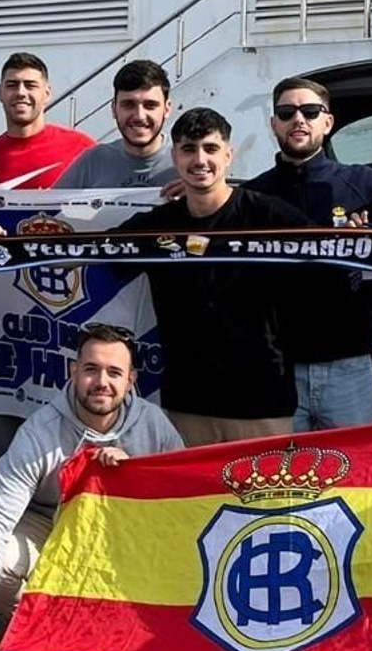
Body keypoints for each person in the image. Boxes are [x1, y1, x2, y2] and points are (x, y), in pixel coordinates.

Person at [0, 324, 183, 651]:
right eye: (91, 369)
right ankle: (44, 628)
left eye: (114, 372)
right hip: (49, 524)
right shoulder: (39, 431)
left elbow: (181, 507)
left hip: (123, 534)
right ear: (73, 371)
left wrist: (135, 476)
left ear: (131, 380)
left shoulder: (153, 425)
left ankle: (117, 629)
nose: (102, 382)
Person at [106, 107, 307, 445]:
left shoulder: (269, 214)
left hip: (261, 398)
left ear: (229, 155)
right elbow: (85, 251)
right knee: (192, 498)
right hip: (188, 400)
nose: (200, 159)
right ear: (175, 157)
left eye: (210, 149)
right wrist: (3, 243)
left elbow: (335, 249)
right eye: (189, 149)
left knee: (263, 499)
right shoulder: (157, 224)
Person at [244, 77, 372, 430]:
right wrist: (182, 189)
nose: (299, 119)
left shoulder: (366, 184)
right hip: (275, 369)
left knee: (359, 480)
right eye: (287, 112)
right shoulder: (250, 196)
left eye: (310, 111)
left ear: (327, 123)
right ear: (273, 124)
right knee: (281, 483)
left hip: (350, 368)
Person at [0, 53, 95, 189]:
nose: (21, 92)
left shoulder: (81, 148)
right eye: (12, 85)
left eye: (30, 85)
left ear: (47, 93)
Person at [52, 60, 178, 189]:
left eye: (150, 105)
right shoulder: (93, 161)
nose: (139, 116)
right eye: (128, 105)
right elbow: (50, 205)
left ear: (167, 109)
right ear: (114, 109)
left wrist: (198, 193)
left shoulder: (185, 163)